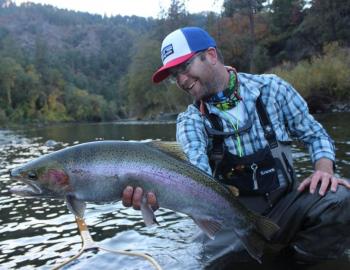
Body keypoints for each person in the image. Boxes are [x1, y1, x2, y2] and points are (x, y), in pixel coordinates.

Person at [122, 26, 350, 263]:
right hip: (229, 218)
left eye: (184, 67)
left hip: (286, 205)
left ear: (210, 55)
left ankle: (299, 262)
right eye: (174, 75)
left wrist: (324, 170)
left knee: (340, 198)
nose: (180, 80)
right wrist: (157, 192)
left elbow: (315, 135)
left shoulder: (272, 90)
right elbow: (194, 176)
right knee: (209, 263)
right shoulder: (191, 122)